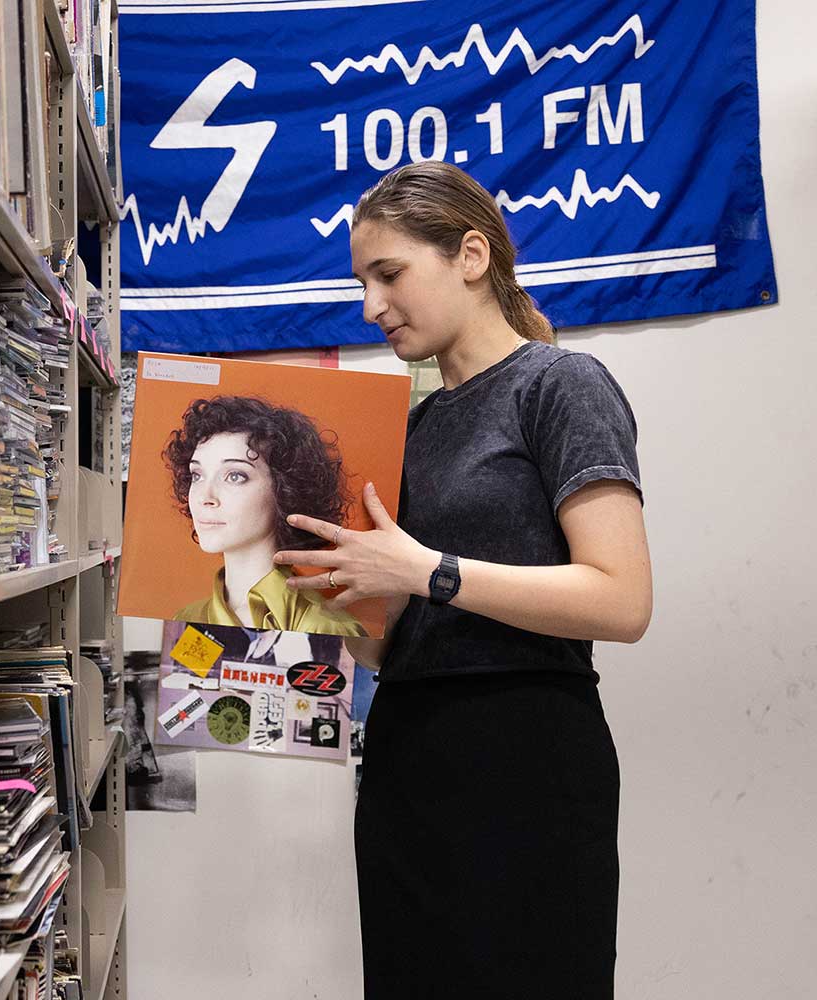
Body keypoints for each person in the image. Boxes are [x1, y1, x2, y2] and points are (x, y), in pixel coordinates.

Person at [274, 162, 652, 998]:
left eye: (390, 274)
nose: (371, 304)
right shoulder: (403, 429)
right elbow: (388, 640)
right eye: (361, 282)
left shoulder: (560, 386)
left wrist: (426, 570)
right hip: (409, 757)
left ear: (471, 255)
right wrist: (329, 601)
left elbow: (623, 601)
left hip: (529, 757)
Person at [163, 395, 367, 637]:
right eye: (197, 475)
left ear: (284, 490)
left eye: (235, 476)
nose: (204, 497)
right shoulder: (185, 621)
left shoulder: (326, 628)